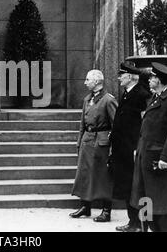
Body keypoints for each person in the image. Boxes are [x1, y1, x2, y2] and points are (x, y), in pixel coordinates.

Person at [130, 62, 167, 232]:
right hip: (146, 161)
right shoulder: (157, 97)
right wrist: (138, 150)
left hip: (160, 165)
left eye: (153, 77)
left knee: (163, 211)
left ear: (161, 80)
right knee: (146, 204)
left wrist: (165, 157)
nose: (150, 79)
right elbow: (148, 130)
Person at [70, 70, 118, 222]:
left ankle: (106, 210)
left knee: (103, 176)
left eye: (88, 79)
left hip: (101, 142)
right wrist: (79, 142)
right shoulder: (87, 99)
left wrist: (111, 146)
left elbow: (116, 125)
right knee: (84, 174)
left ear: (97, 82)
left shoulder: (108, 100)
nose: (85, 82)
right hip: (87, 141)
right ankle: (85, 206)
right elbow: (82, 125)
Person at [109, 63, 151, 232]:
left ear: (131, 77)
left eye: (122, 75)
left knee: (140, 188)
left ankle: (142, 224)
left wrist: (137, 148)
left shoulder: (141, 95)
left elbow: (144, 125)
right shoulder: (127, 93)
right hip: (123, 150)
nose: (119, 78)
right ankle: (133, 222)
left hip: (133, 150)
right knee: (128, 187)